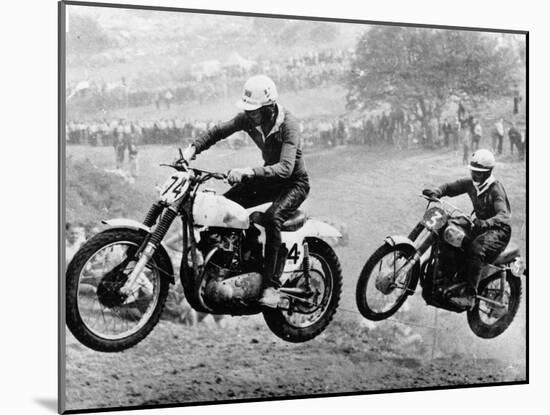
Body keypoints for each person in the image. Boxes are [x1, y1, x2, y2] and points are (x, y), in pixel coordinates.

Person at [179, 75, 310, 308]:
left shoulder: (289, 125)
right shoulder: (250, 119)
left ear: (269, 108)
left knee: (272, 219)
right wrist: (192, 150)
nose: (250, 115)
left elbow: (286, 168)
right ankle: (233, 265)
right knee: (223, 209)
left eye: (255, 110)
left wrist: (248, 171)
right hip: (267, 180)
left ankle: (271, 287)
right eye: (248, 110)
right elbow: (218, 131)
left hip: (293, 183)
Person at [422, 149, 512, 309]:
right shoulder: (471, 183)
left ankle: (470, 295)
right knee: (448, 228)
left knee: (476, 248)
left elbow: (504, 215)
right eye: (473, 171)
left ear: (487, 173)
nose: (474, 175)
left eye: (478, 172)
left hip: (499, 231)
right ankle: (445, 276)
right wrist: (438, 191)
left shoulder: (495, 189)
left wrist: (488, 223)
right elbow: (451, 187)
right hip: (479, 226)